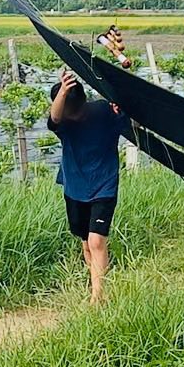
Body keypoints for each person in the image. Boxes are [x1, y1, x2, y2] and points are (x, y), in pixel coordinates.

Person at [47, 68, 126, 303]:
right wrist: (62, 91)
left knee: (97, 241)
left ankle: (98, 298)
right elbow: (55, 118)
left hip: (104, 184)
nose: (78, 116)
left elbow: (131, 120)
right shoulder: (64, 125)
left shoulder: (103, 110)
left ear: (84, 101)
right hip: (75, 187)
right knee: (85, 243)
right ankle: (95, 282)